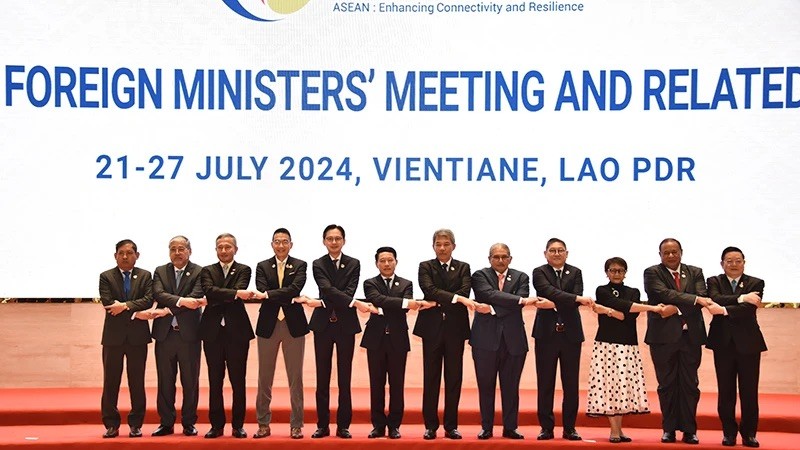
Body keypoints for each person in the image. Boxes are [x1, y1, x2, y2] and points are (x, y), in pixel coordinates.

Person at [301, 224, 372, 439]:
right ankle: (322, 425)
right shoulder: (317, 264)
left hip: (346, 326)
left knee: (344, 377)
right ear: (324, 241)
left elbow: (347, 291)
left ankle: (343, 426)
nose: (334, 242)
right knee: (322, 377)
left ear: (344, 241)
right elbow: (327, 289)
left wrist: (326, 301)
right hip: (322, 326)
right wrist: (353, 303)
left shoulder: (354, 263)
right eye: (330, 238)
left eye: (338, 238)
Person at [643, 238, 713, 445]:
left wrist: (677, 308)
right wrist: (691, 300)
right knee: (667, 385)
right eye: (667, 252)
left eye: (675, 251)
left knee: (690, 385)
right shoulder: (652, 272)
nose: (671, 255)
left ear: (681, 252)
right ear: (660, 255)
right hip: (662, 338)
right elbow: (661, 293)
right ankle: (669, 429)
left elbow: (702, 296)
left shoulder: (696, 272)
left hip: (690, 337)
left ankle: (689, 430)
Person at [587, 257, 664, 443]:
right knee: (609, 386)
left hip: (628, 346)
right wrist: (615, 311)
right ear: (606, 272)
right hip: (606, 344)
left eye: (620, 270)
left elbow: (628, 315)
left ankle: (619, 430)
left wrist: (607, 310)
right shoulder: (601, 290)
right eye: (612, 270)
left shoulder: (633, 292)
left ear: (625, 273)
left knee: (622, 388)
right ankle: (614, 431)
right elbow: (622, 309)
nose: (616, 274)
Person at [361, 246, 431, 439]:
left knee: (397, 385)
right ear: (377, 263)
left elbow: (403, 308)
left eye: (390, 260)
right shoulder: (369, 283)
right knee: (376, 384)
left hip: (398, 340)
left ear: (396, 262)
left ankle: (394, 425)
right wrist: (400, 303)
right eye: (382, 260)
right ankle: (377, 425)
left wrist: (384, 307)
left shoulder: (406, 284)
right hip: (375, 340)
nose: (386, 264)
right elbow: (376, 298)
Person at [414, 229, 474, 440]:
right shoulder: (425, 266)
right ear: (433, 246)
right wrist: (456, 299)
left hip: (455, 330)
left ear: (453, 246)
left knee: (453, 378)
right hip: (431, 329)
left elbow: (465, 291)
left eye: (446, 244)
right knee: (430, 379)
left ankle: (451, 426)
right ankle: (430, 425)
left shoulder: (464, 267)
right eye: (438, 244)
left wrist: (444, 300)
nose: (442, 248)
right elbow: (428, 290)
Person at [470, 243, 534, 440]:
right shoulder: (480, 275)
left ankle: (510, 427)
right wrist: (516, 301)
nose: (500, 260)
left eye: (504, 256)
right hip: (484, 340)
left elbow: (520, 299)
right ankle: (486, 427)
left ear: (510, 259)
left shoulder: (521, 276)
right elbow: (486, 295)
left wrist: (493, 309)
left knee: (511, 387)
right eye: (496, 257)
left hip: (513, 341)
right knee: (486, 385)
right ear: (489, 259)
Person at [531, 238, 593, 441]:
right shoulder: (539, 272)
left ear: (567, 253)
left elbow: (575, 296)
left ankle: (569, 428)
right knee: (546, 383)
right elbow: (546, 292)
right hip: (546, 335)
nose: (556, 254)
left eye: (560, 250)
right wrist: (572, 300)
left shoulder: (575, 272)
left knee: (571, 384)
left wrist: (556, 304)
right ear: (545, 253)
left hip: (571, 335)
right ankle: (546, 428)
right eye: (552, 250)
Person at [252, 228, 309, 440]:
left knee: (296, 377)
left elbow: (295, 288)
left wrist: (270, 295)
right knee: (264, 377)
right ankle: (263, 424)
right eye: (277, 241)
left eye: (285, 241)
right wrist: (286, 295)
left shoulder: (301, 265)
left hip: (293, 325)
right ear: (272, 244)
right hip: (268, 325)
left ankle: (296, 425)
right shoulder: (262, 266)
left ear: (291, 244)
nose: (281, 245)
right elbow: (262, 289)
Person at [705, 246, 765, 448]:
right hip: (723, 344)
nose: (733, 264)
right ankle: (729, 433)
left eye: (738, 260)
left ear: (744, 262)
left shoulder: (756, 283)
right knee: (726, 390)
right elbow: (714, 298)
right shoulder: (714, 281)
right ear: (722, 263)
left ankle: (749, 434)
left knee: (749, 391)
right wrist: (741, 298)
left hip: (749, 344)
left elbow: (748, 310)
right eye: (729, 260)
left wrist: (722, 310)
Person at [199, 233, 256, 439]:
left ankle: (238, 425)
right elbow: (208, 290)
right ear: (216, 250)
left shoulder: (244, 269)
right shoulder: (207, 270)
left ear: (235, 249)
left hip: (237, 333)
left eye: (228, 247)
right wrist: (232, 294)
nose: (224, 250)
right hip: (212, 332)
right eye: (220, 247)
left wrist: (221, 295)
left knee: (237, 380)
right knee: (215, 381)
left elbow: (226, 292)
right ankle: (216, 425)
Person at [150, 236, 205, 437]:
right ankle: (166, 422)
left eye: (181, 248)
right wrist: (182, 301)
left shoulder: (200, 271)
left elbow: (197, 298)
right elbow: (158, 294)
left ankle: (189, 422)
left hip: (189, 335)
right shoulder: (160, 271)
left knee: (190, 381)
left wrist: (169, 309)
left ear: (189, 251)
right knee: (165, 380)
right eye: (173, 249)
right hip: (165, 335)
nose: (177, 253)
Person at [98, 239, 154, 438]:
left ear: (136, 255)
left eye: (129, 253)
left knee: (136, 381)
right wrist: (132, 309)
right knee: (111, 381)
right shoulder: (106, 277)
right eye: (121, 253)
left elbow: (148, 299)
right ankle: (111, 424)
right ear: (115, 256)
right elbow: (108, 302)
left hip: (138, 338)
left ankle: (136, 423)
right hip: (113, 338)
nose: (125, 256)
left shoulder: (146, 275)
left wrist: (125, 307)